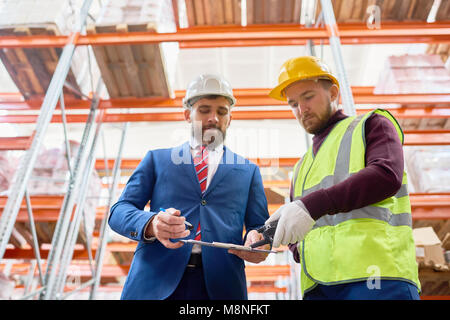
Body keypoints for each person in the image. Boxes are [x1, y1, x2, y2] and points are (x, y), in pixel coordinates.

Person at [265, 56, 420, 300]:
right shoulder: (302, 166)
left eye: (308, 97)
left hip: (378, 279)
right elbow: (299, 232)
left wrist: (311, 205)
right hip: (319, 288)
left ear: (333, 92)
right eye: (293, 103)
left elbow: (386, 176)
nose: (301, 110)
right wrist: (266, 237)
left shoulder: (371, 125)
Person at [108, 74, 270, 300]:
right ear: (187, 115)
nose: (213, 117)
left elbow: (260, 226)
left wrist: (259, 241)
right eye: (204, 110)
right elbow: (119, 211)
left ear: (230, 119)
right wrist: (151, 223)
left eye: (222, 111)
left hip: (221, 288)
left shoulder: (248, 171)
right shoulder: (157, 159)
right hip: (154, 282)